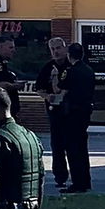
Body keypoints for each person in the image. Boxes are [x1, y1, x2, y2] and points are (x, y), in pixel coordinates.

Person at [35, 38, 72, 189]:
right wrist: (46, 96)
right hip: (55, 111)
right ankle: (60, 177)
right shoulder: (48, 67)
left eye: (58, 48)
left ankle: (76, 176)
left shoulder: (72, 65)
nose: (56, 52)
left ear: (65, 48)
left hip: (71, 110)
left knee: (73, 145)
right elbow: (39, 88)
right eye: (52, 49)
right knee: (57, 145)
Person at [61, 43, 95, 194]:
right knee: (82, 148)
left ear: (69, 55)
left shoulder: (70, 71)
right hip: (85, 111)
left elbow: (61, 87)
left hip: (73, 113)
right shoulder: (88, 70)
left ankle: (77, 183)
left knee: (73, 149)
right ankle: (85, 181)